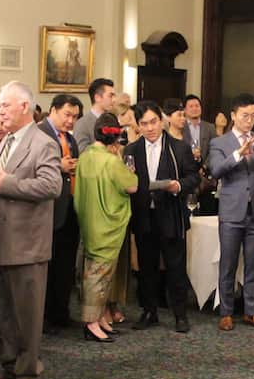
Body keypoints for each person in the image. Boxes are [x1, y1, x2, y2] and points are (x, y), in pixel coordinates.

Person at [0, 81, 62, 379]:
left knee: (26, 315)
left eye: (5, 105)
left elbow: (52, 186)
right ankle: (10, 367)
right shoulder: (9, 139)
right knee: (3, 312)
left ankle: (28, 374)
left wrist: (8, 183)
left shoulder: (43, 143)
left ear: (24, 107)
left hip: (26, 245)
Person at [126, 100, 199, 333]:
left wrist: (178, 185)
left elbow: (193, 177)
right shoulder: (132, 150)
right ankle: (149, 311)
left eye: (153, 122)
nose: (150, 128)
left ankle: (180, 314)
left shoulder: (178, 147)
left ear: (161, 120)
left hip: (170, 213)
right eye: (144, 124)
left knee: (175, 266)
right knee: (146, 267)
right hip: (144, 215)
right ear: (138, 125)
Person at [208, 93, 254, 331]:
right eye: (244, 116)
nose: (249, 120)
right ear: (233, 115)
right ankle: (226, 312)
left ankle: (251, 311)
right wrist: (239, 153)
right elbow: (216, 170)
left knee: (253, 264)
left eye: (253, 116)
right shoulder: (220, 142)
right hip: (232, 211)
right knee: (228, 264)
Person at [76, 113, 138, 341]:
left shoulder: (85, 157)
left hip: (89, 221)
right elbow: (132, 186)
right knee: (99, 276)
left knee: (92, 272)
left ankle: (100, 317)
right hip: (107, 224)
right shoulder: (111, 161)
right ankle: (91, 322)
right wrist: (125, 164)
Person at [40, 94, 83, 331]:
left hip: (69, 209)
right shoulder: (39, 133)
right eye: (67, 115)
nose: (70, 121)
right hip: (48, 210)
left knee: (66, 266)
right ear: (53, 110)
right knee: (49, 266)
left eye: (75, 117)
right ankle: (46, 316)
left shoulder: (70, 138)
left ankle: (61, 312)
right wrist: (59, 165)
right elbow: (31, 166)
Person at [75, 77, 114, 149]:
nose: (114, 100)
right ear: (97, 97)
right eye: (110, 96)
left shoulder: (113, 121)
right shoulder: (82, 124)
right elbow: (82, 151)